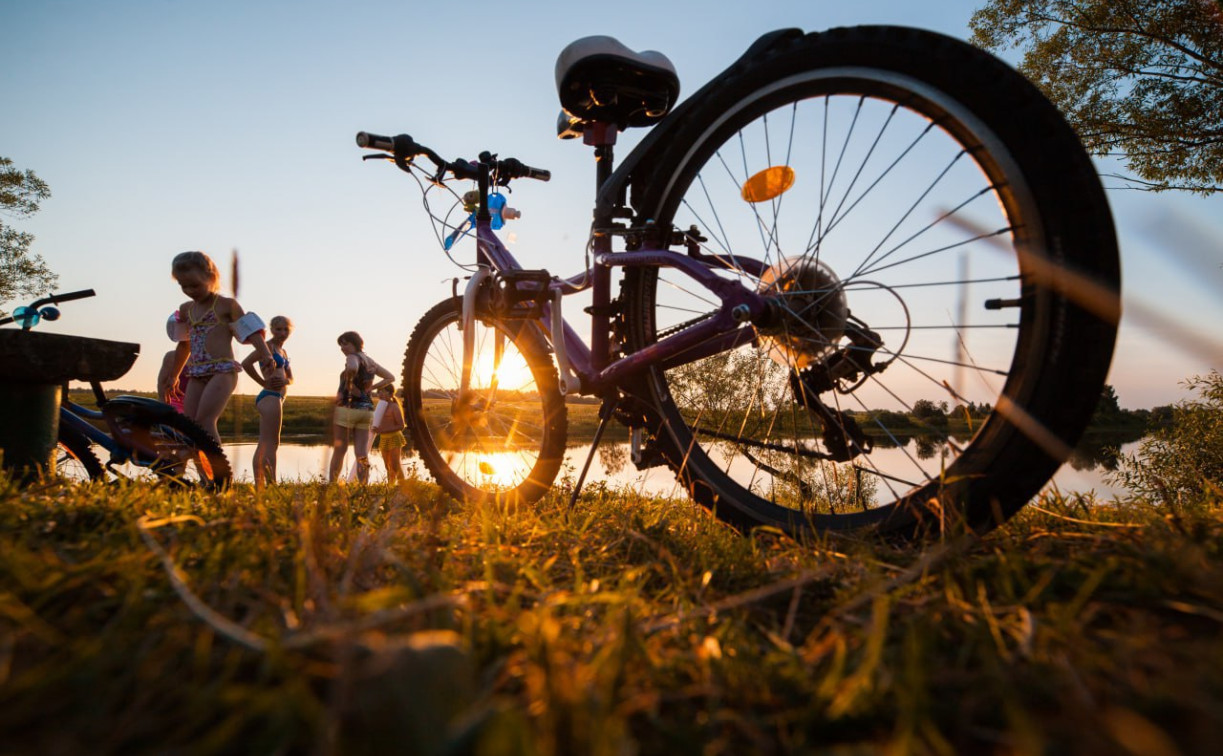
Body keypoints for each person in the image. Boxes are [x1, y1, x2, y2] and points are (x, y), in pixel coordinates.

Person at [165, 251, 283, 444]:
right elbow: (184, 344)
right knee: (190, 424)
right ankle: (205, 473)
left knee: (205, 421)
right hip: (196, 373)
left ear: (211, 278)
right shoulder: (186, 310)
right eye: (183, 286)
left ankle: (219, 473)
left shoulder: (226, 305)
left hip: (222, 371)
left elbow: (251, 332)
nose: (189, 290)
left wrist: (266, 355)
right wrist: (174, 375)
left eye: (194, 285)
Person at [328, 331, 393, 483]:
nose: (342, 348)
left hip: (347, 408)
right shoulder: (370, 361)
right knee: (362, 453)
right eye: (341, 345)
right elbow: (390, 377)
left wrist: (350, 384)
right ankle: (363, 486)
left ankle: (331, 486)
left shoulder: (352, 357)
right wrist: (372, 388)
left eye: (345, 344)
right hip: (366, 410)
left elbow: (352, 367)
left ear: (355, 343)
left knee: (340, 450)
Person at [241, 315, 294, 488]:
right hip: (269, 395)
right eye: (278, 329)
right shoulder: (267, 347)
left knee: (268, 442)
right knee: (270, 443)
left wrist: (286, 381)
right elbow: (246, 363)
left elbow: (291, 378)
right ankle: (269, 484)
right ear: (271, 330)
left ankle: (262, 484)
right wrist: (262, 382)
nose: (282, 332)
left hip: (278, 397)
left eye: (285, 329)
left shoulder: (283, 351)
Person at [371, 383, 408, 483]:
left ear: (391, 394)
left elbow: (401, 425)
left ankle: (403, 486)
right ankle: (390, 487)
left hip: (394, 438)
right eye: (379, 392)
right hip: (384, 438)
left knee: (395, 465)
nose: (381, 394)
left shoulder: (394, 407)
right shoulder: (380, 407)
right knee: (387, 466)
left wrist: (383, 430)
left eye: (384, 392)